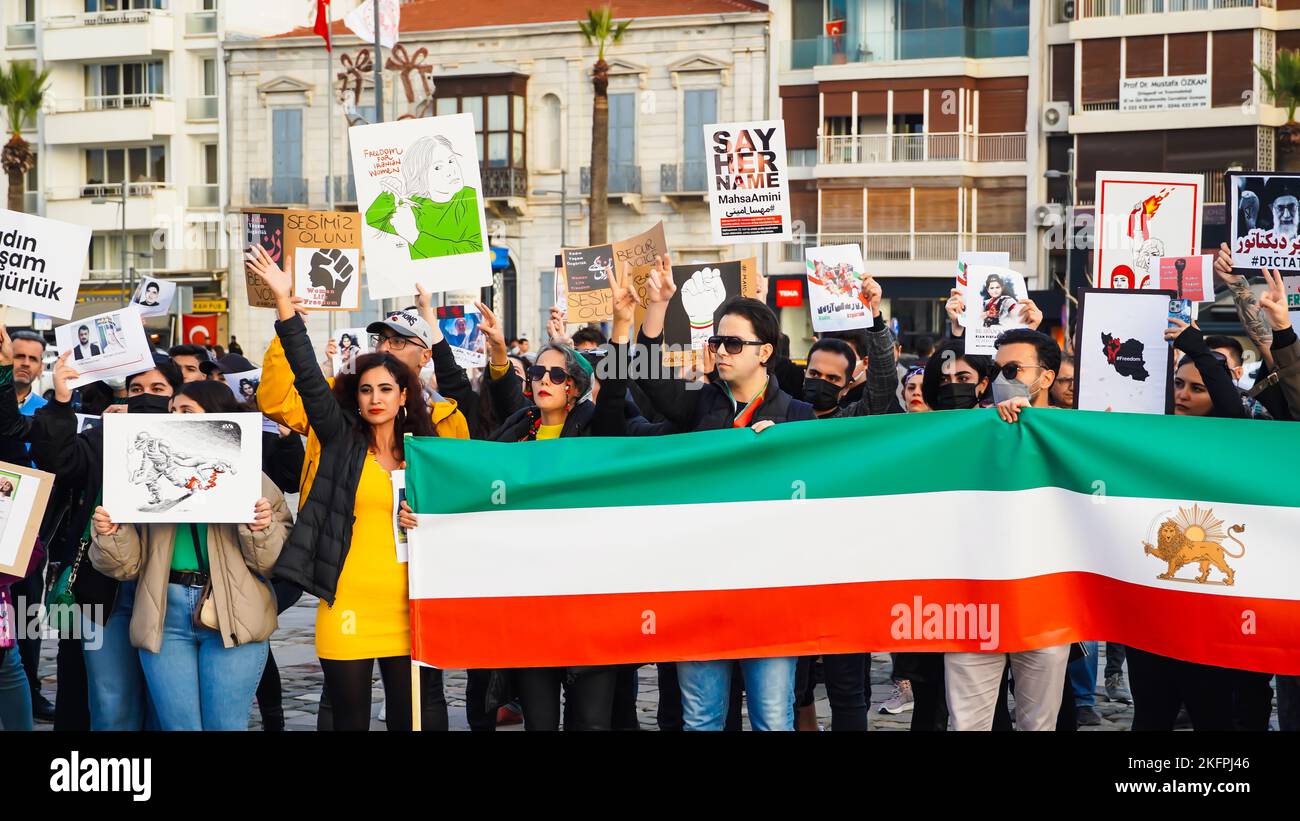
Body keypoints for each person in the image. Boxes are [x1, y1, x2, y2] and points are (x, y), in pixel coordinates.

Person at [250, 244, 438, 732]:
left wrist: (428, 519)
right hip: (346, 603)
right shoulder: (338, 439)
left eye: (386, 390)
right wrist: (284, 305)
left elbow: (458, 511)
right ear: (356, 397)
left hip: (410, 604)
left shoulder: (424, 452)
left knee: (410, 721)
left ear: (403, 397)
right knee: (347, 721)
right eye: (366, 389)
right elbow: (309, 379)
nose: (376, 398)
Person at [634, 253, 812, 731]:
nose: (721, 351)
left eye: (734, 342)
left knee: (773, 718)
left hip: (770, 590)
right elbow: (648, 380)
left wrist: (785, 452)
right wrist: (658, 306)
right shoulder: (699, 404)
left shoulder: (797, 415)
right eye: (717, 341)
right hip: (703, 585)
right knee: (702, 718)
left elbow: (818, 496)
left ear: (765, 351)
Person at [463, 262, 639, 731]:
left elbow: (617, 392)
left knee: (591, 723)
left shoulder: (595, 429)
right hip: (531, 600)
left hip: (588, 600)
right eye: (538, 372)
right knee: (539, 722)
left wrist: (622, 325)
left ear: (576, 389)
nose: (543, 380)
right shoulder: (518, 428)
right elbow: (476, 477)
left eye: (556, 375)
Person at [88, 380, 292, 730]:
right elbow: (127, 567)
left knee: (224, 726)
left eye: (186, 411)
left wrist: (260, 527)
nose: (175, 419)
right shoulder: (142, 483)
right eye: (171, 412)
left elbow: (271, 563)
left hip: (232, 610)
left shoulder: (252, 480)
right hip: (164, 613)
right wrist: (112, 534)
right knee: (178, 727)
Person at [948, 328, 1072, 731]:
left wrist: (1034, 426)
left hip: (1046, 602)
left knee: (1038, 724)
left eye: (1015, 369)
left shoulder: (1076, 433)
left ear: (1047, 377)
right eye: (998, 369)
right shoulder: (969, 430)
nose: (1004, 378)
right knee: (968, 723)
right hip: (974, 602)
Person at [364, 134, 484, 258]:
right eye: (438, 167)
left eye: (451, 161)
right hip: (421, 277)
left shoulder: (471, 198)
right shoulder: (413, 206)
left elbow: (475, 250)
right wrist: (389, 193)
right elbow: (373, 218)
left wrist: (413, 235)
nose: (451, 171)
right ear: (421, 176)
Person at [800, 274, 899, 420]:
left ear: (846, 388)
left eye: (832, 378)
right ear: (804, 374)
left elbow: (883, 384)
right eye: (815, 374)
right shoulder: (784, 415)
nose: (821, 382)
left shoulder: (851, 420)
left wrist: (874, 316)